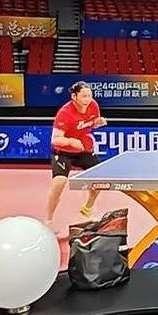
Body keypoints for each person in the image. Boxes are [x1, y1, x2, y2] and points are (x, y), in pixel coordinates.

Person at [45, 81, 107, 232]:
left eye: (89, 96)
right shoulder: (65, 113)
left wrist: (97, 122)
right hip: (63, 151)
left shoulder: (93, 105)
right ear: (74, 96)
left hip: (82, 149)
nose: (88, 99)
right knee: (59, 182)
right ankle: (48, 220)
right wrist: (71, 142)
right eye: (84, 96)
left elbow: (90, 123)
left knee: (99, 177)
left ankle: (88, 208)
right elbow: (55, 139)